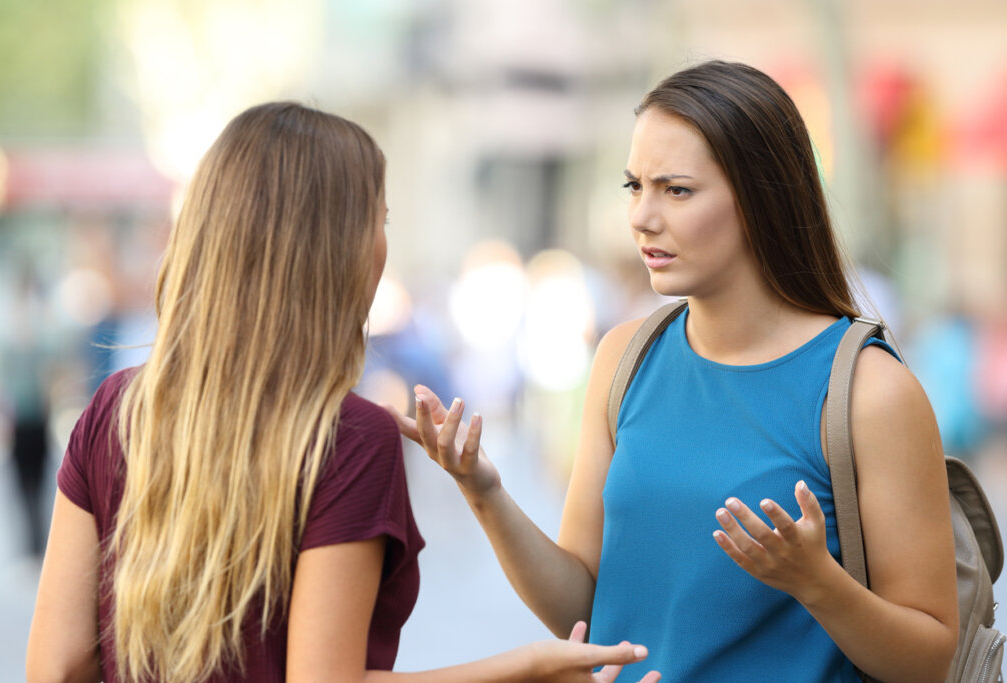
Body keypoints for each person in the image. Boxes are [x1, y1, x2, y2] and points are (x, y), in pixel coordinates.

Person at [25, 102, 661, 683]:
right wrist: (524, 669)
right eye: (378, 220)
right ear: (335, 248)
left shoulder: (115, 409)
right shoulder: (349, 438)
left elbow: (56, 667)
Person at [390, 61, 959, 682]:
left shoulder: (870, 391)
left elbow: (930, 659)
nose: (641, 216)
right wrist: (483, 489)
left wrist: (818, 583)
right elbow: (581, 611)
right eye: (634, 185)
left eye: (677, 190)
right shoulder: (625, 357)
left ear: (762, 199)